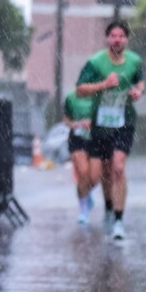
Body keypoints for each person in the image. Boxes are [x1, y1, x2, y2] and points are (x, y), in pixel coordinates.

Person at [76, 20, 145, 240]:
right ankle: (106, 205)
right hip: (100, 123)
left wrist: (137, 92)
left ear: (127, 39)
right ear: (107, 38)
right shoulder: (96, 62)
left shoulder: (134, 61)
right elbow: (80, 90)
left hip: (124, 121)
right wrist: (102, 85)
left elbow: (140, 81)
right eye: (113, 36)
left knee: (117, 167)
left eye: (121, 36)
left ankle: (118, 220)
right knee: (98, 175)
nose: (117, 40)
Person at [63, 90, 95, 224]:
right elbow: (66, 120)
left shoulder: (99, 96)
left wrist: (91, 123)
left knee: (93, 175)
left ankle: (86, 193)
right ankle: (83, 209)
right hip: (77, 139)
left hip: (95, 138)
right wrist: (74, 124)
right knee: (82, 172)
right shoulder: (71, 98)